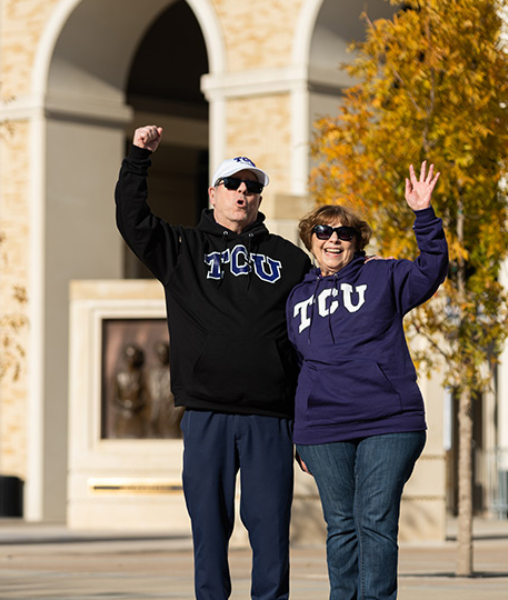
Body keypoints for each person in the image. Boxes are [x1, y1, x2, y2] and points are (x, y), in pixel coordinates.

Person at [114, 125, 311, 600]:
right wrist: (139, 159)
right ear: (213, 193)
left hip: (270, 417)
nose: (243, 193)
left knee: (270, 530)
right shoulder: (182, 249)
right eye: (233, 184)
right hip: (207, 413)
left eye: (252, 187)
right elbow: (132, 219)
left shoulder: (289, 260)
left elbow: (308, 342)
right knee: (208, 527)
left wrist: (309, 423)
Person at [286, 161, 449, 600]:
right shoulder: (296, 298)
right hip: (323, 429)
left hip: (388, 420)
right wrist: (298, 434)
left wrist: (423, 214)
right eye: (323, 231)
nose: (333, 239)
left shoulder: (384, 275)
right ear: (310, 241)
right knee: (341, 525)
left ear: (357, 242)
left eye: (344, 233)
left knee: (374, 520)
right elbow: (297, 367)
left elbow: (432, 269)